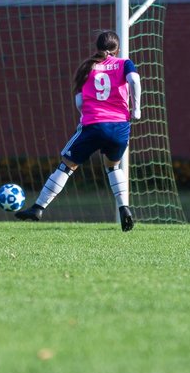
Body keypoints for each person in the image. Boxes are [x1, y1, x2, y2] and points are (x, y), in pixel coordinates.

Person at [16, 30, 140, 231]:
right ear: (116, 49)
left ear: (97, 47)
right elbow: (134, 80)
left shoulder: (87, 67)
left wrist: (87, 115)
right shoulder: (125, 63)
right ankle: (124, 208)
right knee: (113, 166)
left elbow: (79, 101)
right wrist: (137, 109)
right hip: (120, 126)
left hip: (94, 124)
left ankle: (38, 208)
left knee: (66, 165)